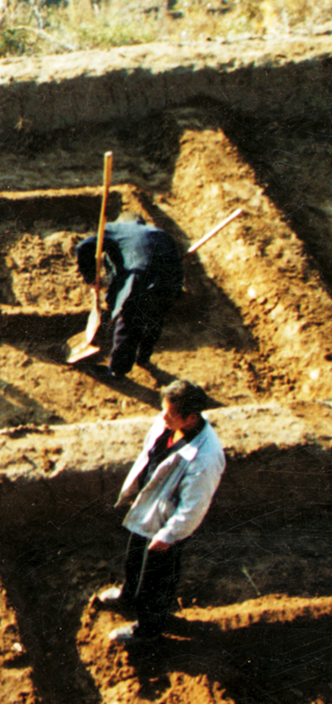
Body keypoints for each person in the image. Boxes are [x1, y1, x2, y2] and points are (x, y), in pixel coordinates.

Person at [96, 379, 225, 643]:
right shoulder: (168, 423)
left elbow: (194, 507)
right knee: (134, 559)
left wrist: (168, 536)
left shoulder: (206, 457)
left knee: (156, 582)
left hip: (167, 526)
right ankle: (128, 596)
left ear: (190, 418)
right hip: (149, 508)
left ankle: (148, 630)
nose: (162, 416)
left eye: (169, 413)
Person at [73, 215, 184, 379]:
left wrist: (91, 278)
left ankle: (117, 371)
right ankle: (143, 358)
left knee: (129, 324)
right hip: (171, 282)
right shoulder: (159, 232)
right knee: (155, 318)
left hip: (141, 279)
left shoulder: (115, 228)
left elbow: (83, 247)